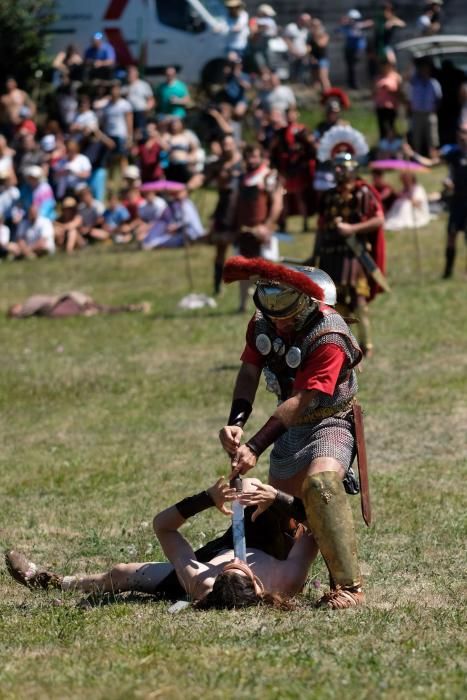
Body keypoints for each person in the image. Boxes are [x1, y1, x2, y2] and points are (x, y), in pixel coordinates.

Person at [219, 257, 368, 609]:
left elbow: (303, 400)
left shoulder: (329, 334)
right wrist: (236, 422)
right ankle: (284, 573)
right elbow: (248, 372)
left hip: (330, 421)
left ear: (305, 301)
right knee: (272, 517)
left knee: (322, 486)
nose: (278, 320)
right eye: (271, 310)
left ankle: (350, 588)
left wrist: (255, 446)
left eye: (284, 311)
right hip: (287, 427)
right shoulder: (262, 324)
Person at [5, 477, 316, 608]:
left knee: (121, 573)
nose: (238, 559)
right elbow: (316, 528)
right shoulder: (286, 579)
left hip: (210, 556)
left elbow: (163, 528)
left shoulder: (201, 583)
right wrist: (279, 498)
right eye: (240, 566)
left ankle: (55, 582)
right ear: (258, 585)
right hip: (275, 540)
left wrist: (205, 500)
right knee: (248, 485)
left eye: (229, 567)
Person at [312, 125, 386, 357]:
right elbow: (321, 227)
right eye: (337, 167)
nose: (340, 171)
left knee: (358, 301)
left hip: (353, 254)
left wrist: (352, 228)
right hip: (330, 254)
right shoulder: (328, 196)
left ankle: (367, 345)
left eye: (344, 167)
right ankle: (342, 345)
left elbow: (378, 220)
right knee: (333, 303)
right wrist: (313, 253)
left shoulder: (363, 192)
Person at [230, 143, 283, 311]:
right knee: (243, 270)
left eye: (255, 156)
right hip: (245, 232)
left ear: (261, 157)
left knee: (268, 270)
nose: (251, 159)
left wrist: (267, 227)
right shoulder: (241, 178)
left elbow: (277, 204)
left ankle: (272, 305)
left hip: (263, 231)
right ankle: (242, 305)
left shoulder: (269, 176)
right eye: (248, 156)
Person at [203, 133, 244, 294]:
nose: (226, 147)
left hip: (241, 207)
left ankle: (249, 285)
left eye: (229, 143)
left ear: (234, 144)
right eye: (224, 144)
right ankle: (217, 284)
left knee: (246, 249)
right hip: (224, 208)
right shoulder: (217, 165)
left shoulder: (243, 162)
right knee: (221, 249)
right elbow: (203, 178)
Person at [408, 58, 442, 158]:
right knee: (416, 137)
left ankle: (433, 158)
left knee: (432, 137)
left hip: (429, 113)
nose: (424, 71)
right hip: (417, 113)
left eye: (426, 68)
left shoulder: (434, 83)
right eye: (422, 68)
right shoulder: (414, 82)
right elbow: (407, 78)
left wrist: (434, 109)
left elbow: (439, 98)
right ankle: (417, 157)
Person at [373, 59, 403, 140]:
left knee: (392, 127)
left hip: (392, 106)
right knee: (382, 128)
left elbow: (400, 93)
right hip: (381, 106)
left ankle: (394, 146)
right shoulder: (378, 77)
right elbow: (373, 92)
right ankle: (383, 146)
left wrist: (390, 90)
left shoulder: (396, 77)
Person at [122, 65, 155, 136]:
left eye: (132, 73)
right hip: (127, 114)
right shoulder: (124, 87)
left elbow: (151, 99)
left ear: (136, 74)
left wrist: (147, 109)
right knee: (129, 133)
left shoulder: (143, 85)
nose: (130, 74)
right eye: (129, 73)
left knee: (140, 133)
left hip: (140, 113)